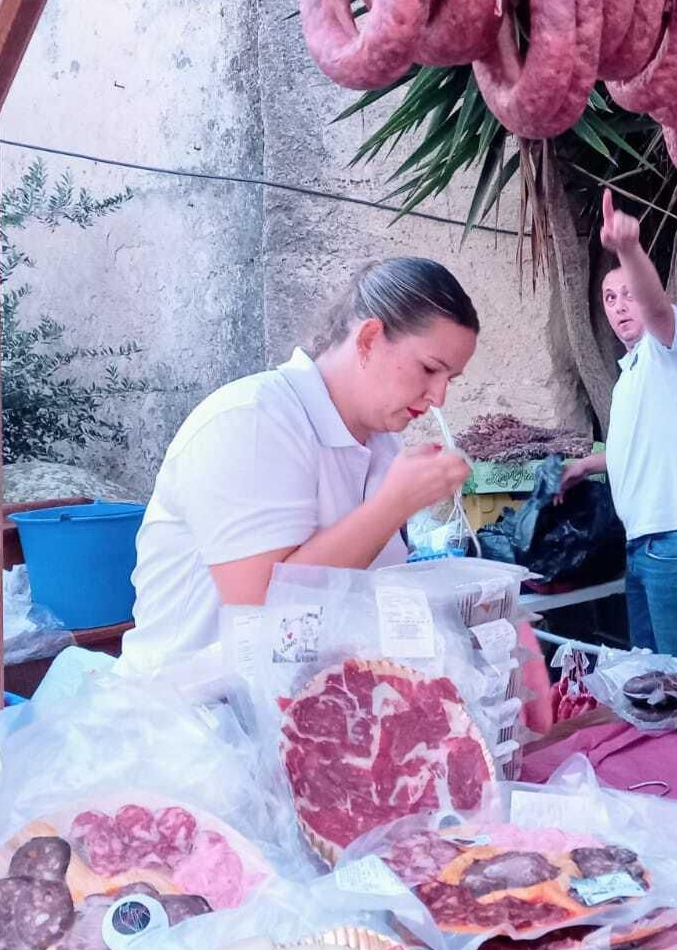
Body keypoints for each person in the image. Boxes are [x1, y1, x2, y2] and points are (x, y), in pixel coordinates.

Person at [124, 258, 478, 677]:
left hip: (303, 703)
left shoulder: (381, 442)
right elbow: (263, 608)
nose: (439, 397)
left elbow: (364, 594)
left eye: (450, 379)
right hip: (192, 712)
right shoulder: (252, 419)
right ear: (368, 339)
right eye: (429, 369)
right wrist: (393, 505)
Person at [559, 192, 677, 657]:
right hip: (647, 543)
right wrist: (586, 466)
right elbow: (639, 447)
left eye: (628, 295)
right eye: (609, 298)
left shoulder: (676, 348)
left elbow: (658, 310)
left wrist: (627, 250)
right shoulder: (631, 372)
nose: (619, 307)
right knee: (651, 687)